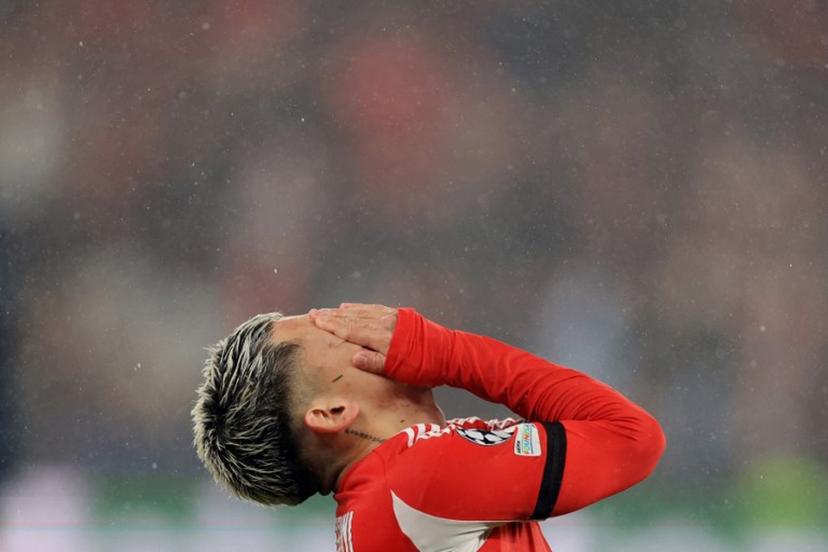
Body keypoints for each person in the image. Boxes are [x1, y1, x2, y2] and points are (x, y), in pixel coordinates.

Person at [192, 303, 666, 551]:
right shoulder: (417, 477)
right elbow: (632, 438)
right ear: (332, 412)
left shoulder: (378, 503)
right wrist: (449, 353)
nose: (351, 320)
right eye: (327, 331)